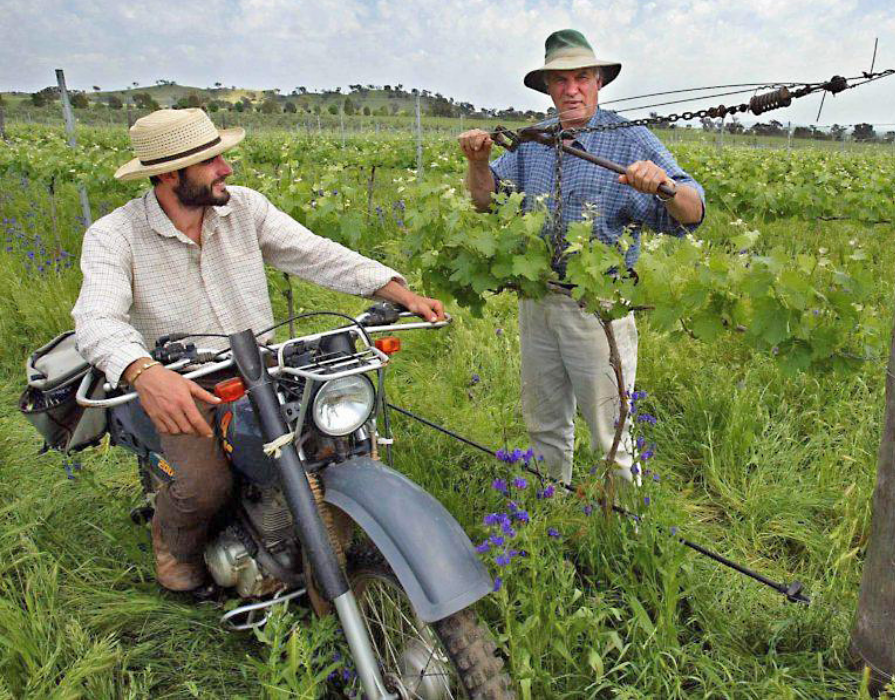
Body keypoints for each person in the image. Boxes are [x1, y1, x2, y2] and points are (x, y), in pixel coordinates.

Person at [72, 108, 445, 593]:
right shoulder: (114, 235)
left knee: (338, 441)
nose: (225, 168)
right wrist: (144, 372)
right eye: (210, 161)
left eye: (221, 155)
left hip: (265, 365)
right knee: (204, 485)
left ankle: (325, 536)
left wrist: (395, 290)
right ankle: (173, 547)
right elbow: (96, 317)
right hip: (183, 383)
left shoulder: (245, 209)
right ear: (167, 174)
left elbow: (316, 252)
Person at [457, 29, 705, 484]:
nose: (571, 89)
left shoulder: (631, 139)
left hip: (598, 306)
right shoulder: (534, 138)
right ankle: (554, 512)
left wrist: (664, 187)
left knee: (611, 434)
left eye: (582, 77)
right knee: (544, 423)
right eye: (561, 80)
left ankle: (625, 529)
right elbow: (485, 201)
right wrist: (477, 162)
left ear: (598, 83)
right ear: (548, 88)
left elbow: (694, 211)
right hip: (538, 302)